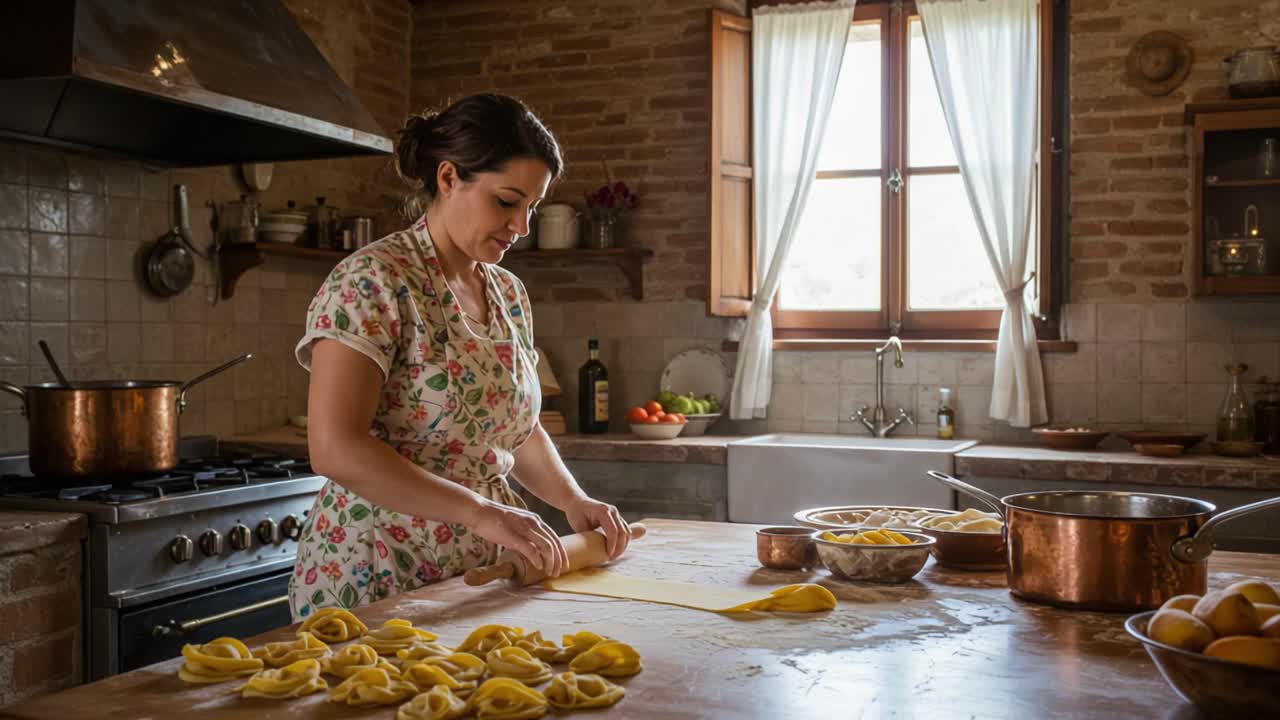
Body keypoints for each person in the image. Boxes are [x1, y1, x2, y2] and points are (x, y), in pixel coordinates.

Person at [289, 93, 629, 619]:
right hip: (377, 566)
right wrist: (478, 511)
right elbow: (335, 449)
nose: (521, 227)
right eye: (506, 201)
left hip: (485, 566)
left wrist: (572, 500)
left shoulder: (509, 293)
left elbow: (515, 427)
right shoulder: (372, 281)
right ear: (449, 178)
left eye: (532, 207)